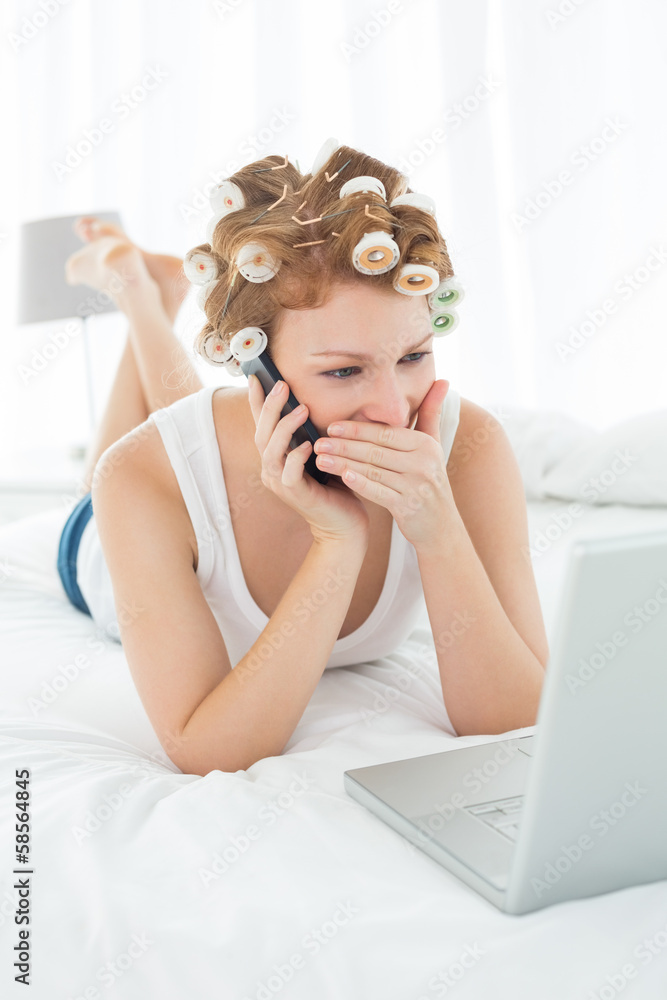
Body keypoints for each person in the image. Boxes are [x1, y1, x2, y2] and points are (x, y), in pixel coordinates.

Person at [56, 142, 549, 776]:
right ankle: (134, 289)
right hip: (91, 541)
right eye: (344, 370)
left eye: (412, 357)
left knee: (189, 429)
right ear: (253, 364)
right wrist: (336, 542)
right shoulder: (139, 476)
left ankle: (143, 285)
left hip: (215, 437)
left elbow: (514, 723)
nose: (395, 412)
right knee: (172, 445)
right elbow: (210, 751)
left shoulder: (468, 451)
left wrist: (438, 528)